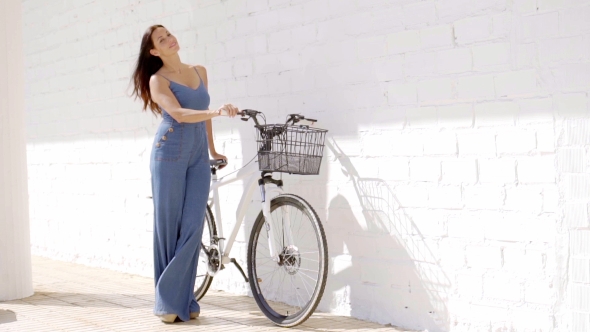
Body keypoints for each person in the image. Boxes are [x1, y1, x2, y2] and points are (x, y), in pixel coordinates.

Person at [130, 24, 239, 323]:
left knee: (193, 227)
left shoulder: (200, 71)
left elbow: (202, 113)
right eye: (161, 40)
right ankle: (168, 302)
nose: (169, 39)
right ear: (154, 51)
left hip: (197, 156)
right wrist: (216, 111)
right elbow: (179, 114)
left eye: (169, 34)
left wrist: (213, 150)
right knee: (169, 227)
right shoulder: (157, 80)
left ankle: (182, 297)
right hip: (169, 153)